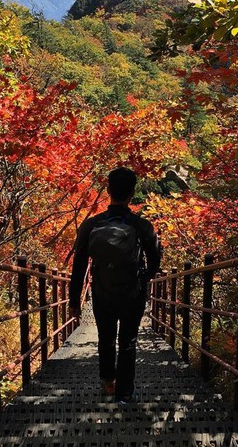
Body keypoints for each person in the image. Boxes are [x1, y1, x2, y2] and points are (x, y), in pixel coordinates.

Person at [68, 167, 161, 403]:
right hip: (132, 293)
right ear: (132, 192)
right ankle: (125, 394)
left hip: (102, 291)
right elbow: (155, 260)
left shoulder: (91, 225)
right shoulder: (142, 226)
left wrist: (74, 301)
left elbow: (78, 265)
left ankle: (109, 382)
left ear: (108, 190)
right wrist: (144, 279)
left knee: (106, 337)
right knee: (128, 341)